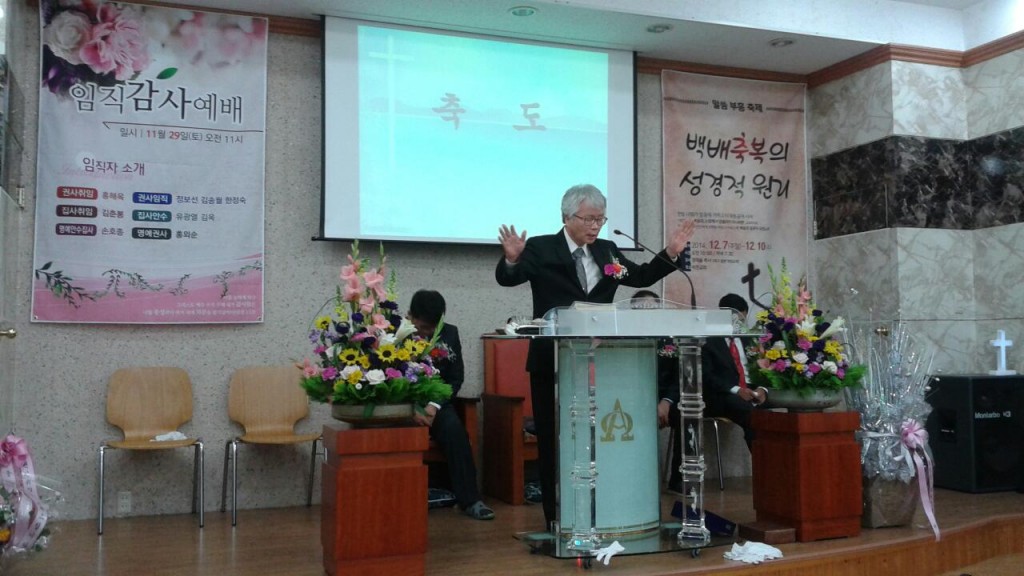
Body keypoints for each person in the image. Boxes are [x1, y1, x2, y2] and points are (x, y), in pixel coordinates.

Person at [496, 184, 696, 529]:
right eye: (588, 219)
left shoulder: (607, 251)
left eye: (600, 219)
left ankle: (604, 511)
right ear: (567, 217)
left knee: (599, 437)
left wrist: (670, 253)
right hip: (552, 361)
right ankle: (557, 519)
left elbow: (641, 275)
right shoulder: (542, 247)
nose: (595, 226)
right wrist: (512, 260)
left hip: (600, 361)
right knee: (553, 439)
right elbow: (508, 279)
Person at [407, 289, 495, 521]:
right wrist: (412, 408)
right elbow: (389, 376)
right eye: (423, 327)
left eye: (433, 328)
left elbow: (455, 378)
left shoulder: (450, 333)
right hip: (403, 404)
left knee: (455, 431)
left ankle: (471, 500)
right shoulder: (395, 334)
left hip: (438, 402)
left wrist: (433, 405)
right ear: (410, 316)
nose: (428, 334)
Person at [631, 289, 684, 494]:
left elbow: (678, 376)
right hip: (634, 399)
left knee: (686, 414)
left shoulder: (668, 341)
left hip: (664, 400)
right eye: (642, 309)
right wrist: (647, 403)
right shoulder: (624, 338)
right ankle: (636, 477)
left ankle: (678, 479)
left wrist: (666, 402)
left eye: (652, 309)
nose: (647, 313)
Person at [700, 293, 768, 449]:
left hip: (752, 393)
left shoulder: (749, 340)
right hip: (724, 395)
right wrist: (737, 390)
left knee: (781, 410)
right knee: (751, 414)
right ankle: (763, 460)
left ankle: (778, 458)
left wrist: (762, 389)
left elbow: (764, 368)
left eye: (741, 321)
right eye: (735, 320)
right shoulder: (709, 342)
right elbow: (707, 377)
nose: (738, 325)